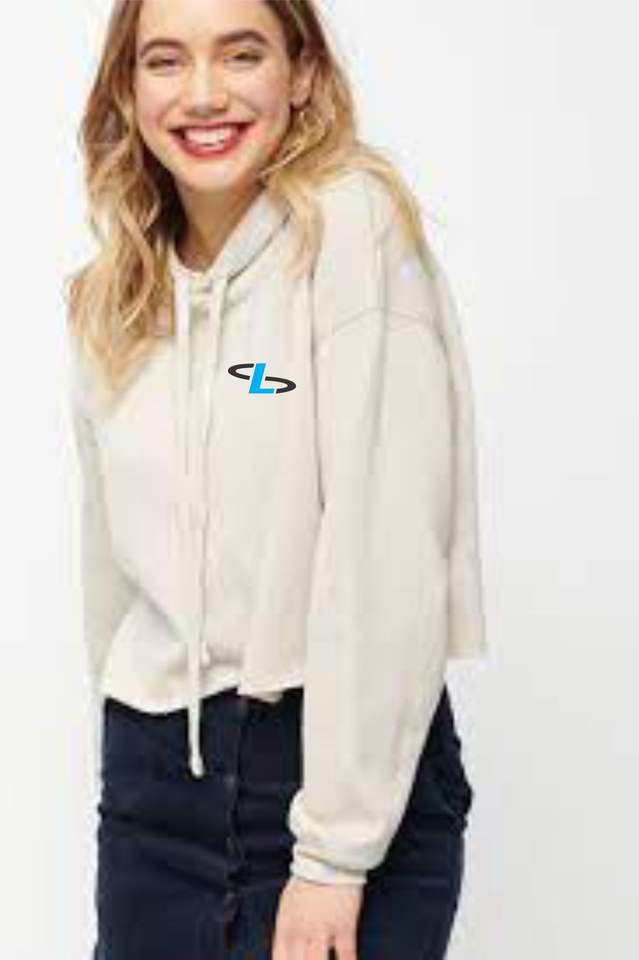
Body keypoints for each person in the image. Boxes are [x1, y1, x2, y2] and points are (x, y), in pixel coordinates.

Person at [65, 1, 488, 958]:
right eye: (164, 61)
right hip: (150, 786)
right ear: (126, 91)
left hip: (323, 775)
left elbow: (386, 542)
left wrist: (335, 855)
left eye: (241, 54)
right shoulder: (111, 295)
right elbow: (110, 571)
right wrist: (116, 763)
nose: (203, 94)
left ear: (300, 73)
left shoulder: (351, 232)